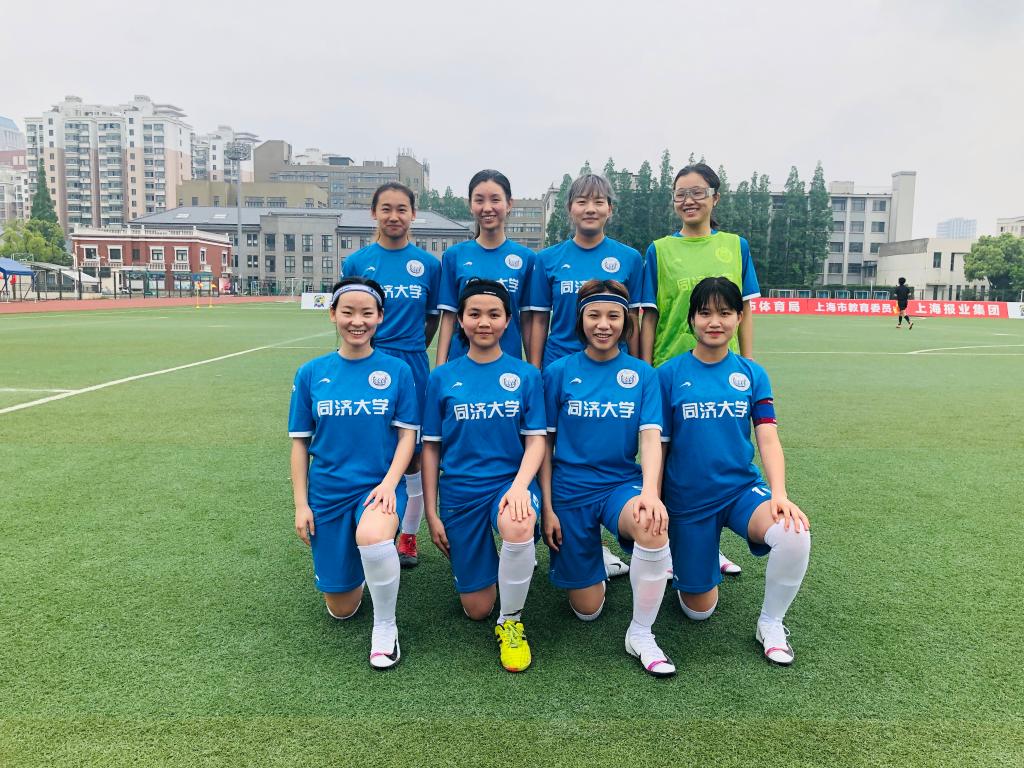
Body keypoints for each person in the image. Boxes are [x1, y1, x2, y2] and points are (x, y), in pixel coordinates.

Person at [658, 277, 811, 666]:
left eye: (725, 313)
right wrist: (657, 500)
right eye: (705, 313)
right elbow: (659, 446)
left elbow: (768, 439)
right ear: (691, 319)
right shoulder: (668, 374)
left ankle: (771, 623)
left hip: (741, 491)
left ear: (739, 318)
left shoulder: (752, 374)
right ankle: (693, 553)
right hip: (688, 500)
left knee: (793, 533)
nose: (715, 322)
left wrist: (779, 494)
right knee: (698, 611)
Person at [540, 279, 675, 678]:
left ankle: (641, 633)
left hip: (620, 484)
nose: (603, 325)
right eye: (594, 315)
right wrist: (547, 507)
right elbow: (543, 446)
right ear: (580, 320)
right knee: (588, 610)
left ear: (625, 321)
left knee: (651, 523)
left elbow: (650, 438)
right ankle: (598, 559)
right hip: (569, 489)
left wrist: (650, 492)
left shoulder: (642, 375)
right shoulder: (558, 372)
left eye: (613, 316)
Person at [288, 277, 419, 670]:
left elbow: (407, 436)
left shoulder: (397, 371)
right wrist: (301, 505)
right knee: (341, 609)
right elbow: (300, 444)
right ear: (333, 314)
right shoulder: (311, 373)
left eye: (366, 313)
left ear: (380, 317)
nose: (357, 321)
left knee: (374, 536)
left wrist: (390, 484)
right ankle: (360, 571)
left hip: (376, 487)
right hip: (328, 492)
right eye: (348, 312)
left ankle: (385, 626)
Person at [640, 161, 762, 577]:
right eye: (680, 194)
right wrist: (646, 370)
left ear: (715, 197)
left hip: (723, 371)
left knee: (714, 456)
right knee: (669, 459)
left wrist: (748, 361)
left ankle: (706, 544)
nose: (688, 201)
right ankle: (666, 544)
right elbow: (650, 315)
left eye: (697, 192)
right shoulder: (659, 250)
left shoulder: (735, 246)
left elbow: (745, 310)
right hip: (669, 369)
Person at [526, 172, 651, 579]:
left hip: (613, 368)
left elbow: (636, 319)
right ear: (569, 209)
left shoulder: (629, 258)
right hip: (561, 367)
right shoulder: (547, 259)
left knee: (608, 448)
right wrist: (536, 369)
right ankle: (552, 531)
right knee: (556, 454)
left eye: (599, 202)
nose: (590, 208)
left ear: (610, 209)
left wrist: (641, 366)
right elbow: (539, 320)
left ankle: (612, 529)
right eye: (582, 201)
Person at [422, 279, 547, 672]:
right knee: (477, 609)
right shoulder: (442, 377)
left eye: (494, 314)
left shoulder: (526, 375)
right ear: (461, 320)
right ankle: (495, 565)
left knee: (518, 521)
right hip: (460, 492)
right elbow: (431, 448)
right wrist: (431, 512)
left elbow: (537, 441)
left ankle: (511, 623)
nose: (484, 322)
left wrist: (520, 486)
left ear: (508, 320)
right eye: (474, 313)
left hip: (508, 484)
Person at [343, 182, 441, 568]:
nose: (394, 216)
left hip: (412, 366)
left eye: (402, 209)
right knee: (372, 447)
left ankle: (409, 536)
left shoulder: (429, 265)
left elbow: (432, 319)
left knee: (413, 455)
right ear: (374, 213)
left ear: (413, 214)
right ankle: (367, 522)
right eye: (386, 208)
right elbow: (352, 313)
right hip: (368, 362)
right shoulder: (357, 263)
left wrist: (411, 347)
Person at [435, 169, 536, 366]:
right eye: (479, 200)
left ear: (509, 204)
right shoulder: (454, 256)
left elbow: (527, 320)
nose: (487, 208)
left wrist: (533, 369)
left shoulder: (527, 258)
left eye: (495, 200)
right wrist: (439, 368)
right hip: (462, 364)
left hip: (509, 365)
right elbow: (448, 317)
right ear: (470, 205)